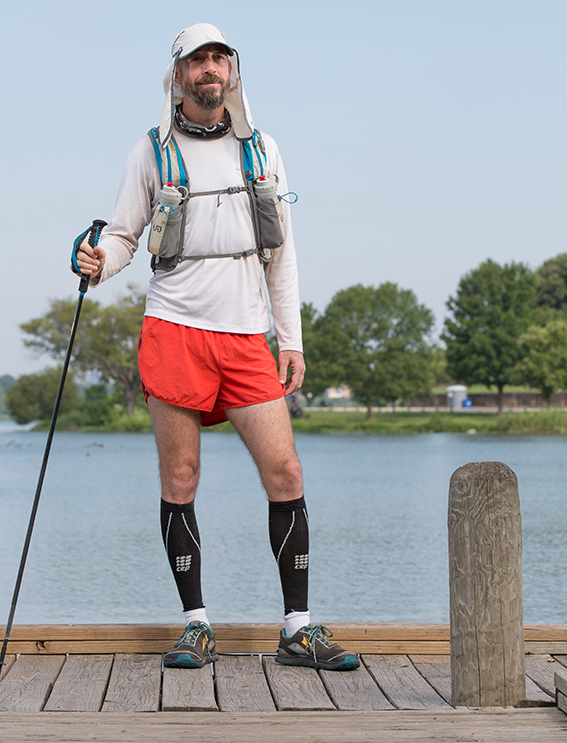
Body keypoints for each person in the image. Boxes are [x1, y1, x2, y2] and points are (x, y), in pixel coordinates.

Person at [74, 23, 359, 673]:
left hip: (245, 334)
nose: (209, 67)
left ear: (232, 70)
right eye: (196, 59)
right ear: (176, 76)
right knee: (180, 478)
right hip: (173, 328)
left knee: (285, 473)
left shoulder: (262, 150)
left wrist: (291, 337)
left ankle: (298, 628)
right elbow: (122, 236)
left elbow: (281, 251)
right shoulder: (150, 152)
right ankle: (196, 624)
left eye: (219, 56)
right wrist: (98, 262)